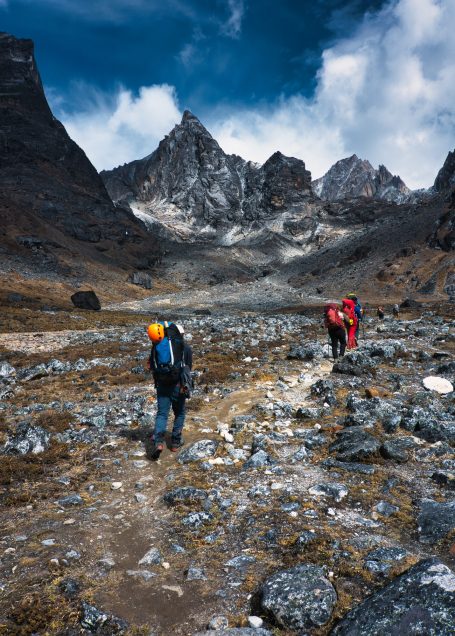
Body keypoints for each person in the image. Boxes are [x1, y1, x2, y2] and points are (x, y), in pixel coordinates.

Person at [147, 322, 193, 459]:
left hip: (162, 385)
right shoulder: (185, 347)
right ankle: (175, 442)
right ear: (180, 334)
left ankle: (158, 442)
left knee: (162, 414)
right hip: (178, 384)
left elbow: (152, 366)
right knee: (179, 413)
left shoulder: (157, 346)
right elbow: (188, 367)